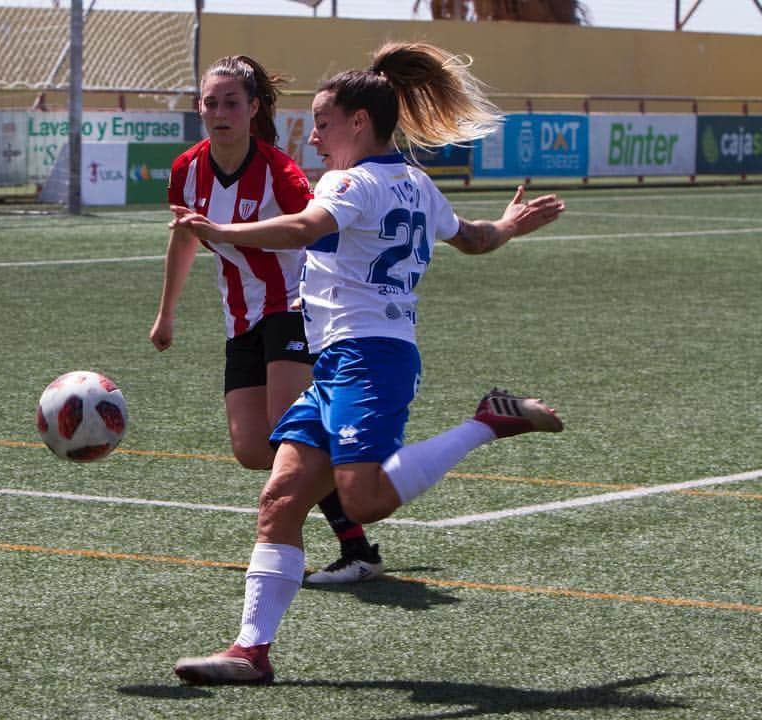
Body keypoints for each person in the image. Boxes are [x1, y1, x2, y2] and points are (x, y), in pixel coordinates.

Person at [170, 41, 566, 685]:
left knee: (365, 499)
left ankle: (486, 422)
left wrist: (221, 231)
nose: (316, 137)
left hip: (370, 358)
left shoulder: (350, 181)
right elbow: (474, 239)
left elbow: (302, 229)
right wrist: (511, 225)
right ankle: (250, 651)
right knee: (279, 498)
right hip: (339, 362)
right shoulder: (416, 181)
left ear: (359, 122)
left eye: (323, 124)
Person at [150, 55, 384, 584]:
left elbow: (318, 233)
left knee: (289, 428)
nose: (220, 112)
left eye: (232, 102)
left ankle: (356, 546)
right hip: (240, 318)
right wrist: (166, 313)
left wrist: (323, 297)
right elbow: (185, 234)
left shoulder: (280, 172)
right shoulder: (187, 168)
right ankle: (355, 463)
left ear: (254, 108)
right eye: (211, 102)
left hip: (293, 307)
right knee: (253, 449)